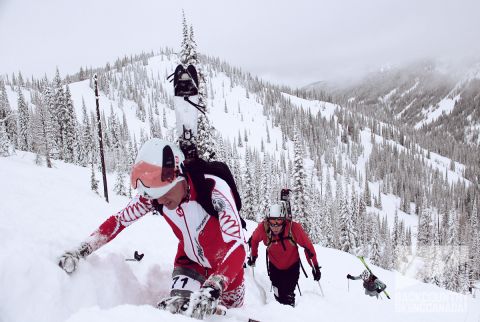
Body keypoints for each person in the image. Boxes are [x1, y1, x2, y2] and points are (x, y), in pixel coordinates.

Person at [58, 138, 247, 319]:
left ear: (179, 176)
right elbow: (119, 221)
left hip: (227, 269)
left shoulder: (214, 189)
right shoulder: (155, 196)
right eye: (155, 196)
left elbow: (238, 245)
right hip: (189, 262)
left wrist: (215, 285)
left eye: (164, 193)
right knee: (181, 314)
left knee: (227, 316)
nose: (160, 201)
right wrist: (84, 248)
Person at [247, 203, 320, 306]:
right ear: (268, 221)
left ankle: (291, 314)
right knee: (278, 296)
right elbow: (254, 240)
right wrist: (253, 256)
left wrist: (315, 266)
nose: (275, 227)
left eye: (279, 222)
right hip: (274, 267)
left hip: (292, 266)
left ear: (284, 221)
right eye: (272, 223)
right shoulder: (263, 229)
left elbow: (308, 247)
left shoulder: (294, 228)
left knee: (288, 296)